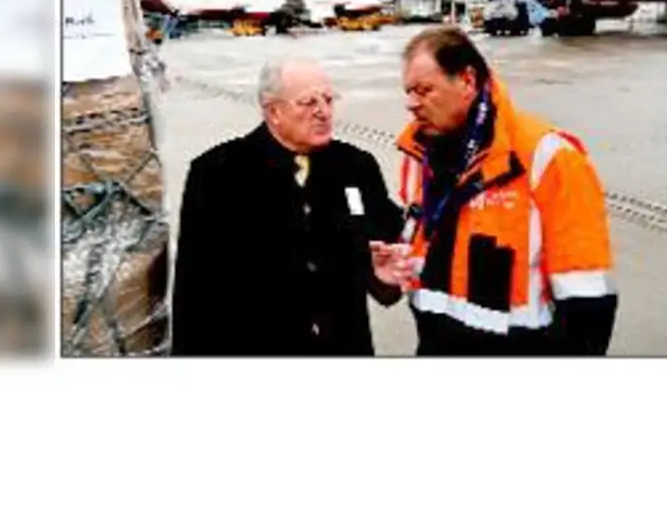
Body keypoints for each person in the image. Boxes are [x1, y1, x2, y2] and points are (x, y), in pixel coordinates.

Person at [370, 26, 617, 356]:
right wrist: (393, 269)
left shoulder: (547, 157)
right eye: (408, 91)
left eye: (424, 90)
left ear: (468, 81)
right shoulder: (419, 157)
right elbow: (425, 255)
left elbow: (588, 300)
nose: (411, 104)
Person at [171, 57, 403, 355]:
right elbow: (194, 290)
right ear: (273, 111)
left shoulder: (356, 166)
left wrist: (385, 280)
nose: (324, 112)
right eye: (308, 102)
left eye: (329, 100)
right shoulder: (218, 173)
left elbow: (387, 253)